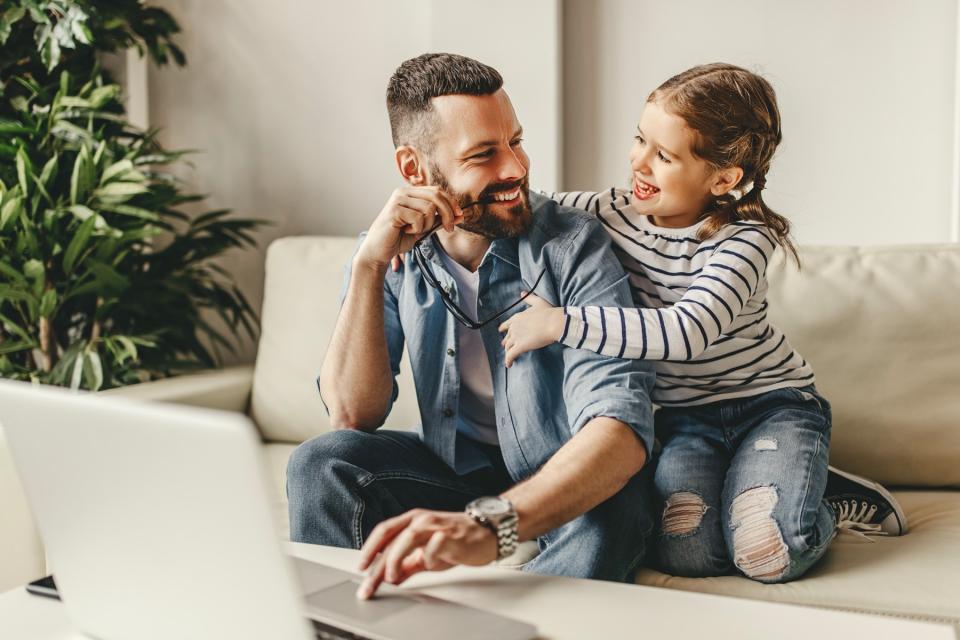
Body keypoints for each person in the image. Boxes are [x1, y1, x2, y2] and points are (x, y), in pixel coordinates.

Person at [498, 63, 907, 583]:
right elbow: (525, 210)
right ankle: (781, 488)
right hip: (685, 423)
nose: (638, 163)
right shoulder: (609, 213)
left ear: (723, 178)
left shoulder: (743, 241)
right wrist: (428, 215)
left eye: (664, 156)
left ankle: (832, 498)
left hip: (770, 408)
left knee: (768, 551)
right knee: (685, 552)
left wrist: (561, 323)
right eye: (639, 140)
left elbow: (685, 333)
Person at [286, 53, 657, 600]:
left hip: (564, 476)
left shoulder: (573, 244)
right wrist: (367, 267)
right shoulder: (389, 252)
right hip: (454, 474)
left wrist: (493, 526)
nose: (515, 168)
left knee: (616, 502)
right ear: (414, 170)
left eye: (516, 141)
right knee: (323, 461)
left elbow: (619, 431)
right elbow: (351, 413)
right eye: (484, 154)